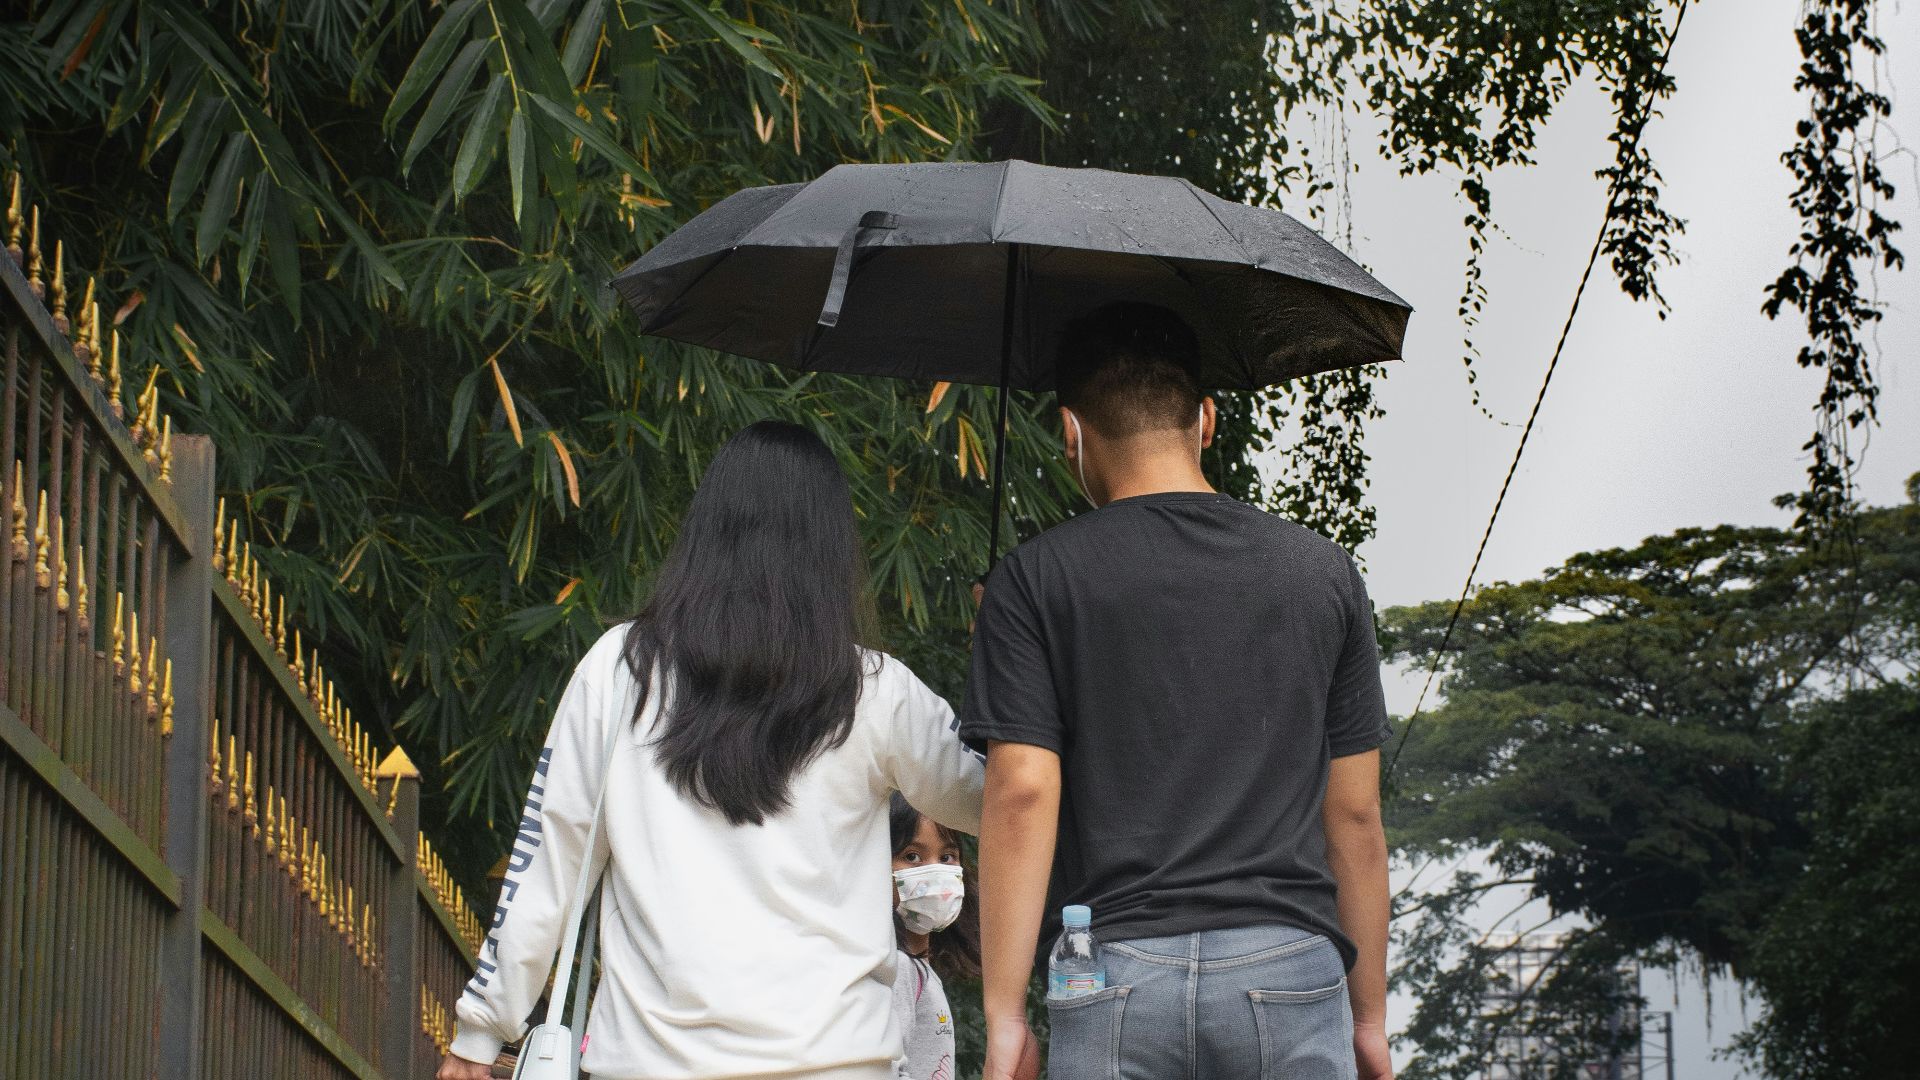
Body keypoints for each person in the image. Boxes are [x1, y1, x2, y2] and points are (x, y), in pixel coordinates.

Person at [439, 421, 985, 1080]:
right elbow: (996, 798)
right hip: (836, 1063)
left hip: (650, 1065)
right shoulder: (876, 690)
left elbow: (549, 858)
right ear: (833, 547)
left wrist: (482, 1031)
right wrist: (1004, 643)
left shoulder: (620, 670)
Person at [959, 303, 1394, 1080]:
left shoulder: (1035, 579)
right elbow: (1355, 815)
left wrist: (1005, 1019)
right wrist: (1368, 1019)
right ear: (1207, 419)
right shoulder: (1321, 573)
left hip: (1114, 972)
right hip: (1290, 968)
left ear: (1070, 433)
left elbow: (1022, 789)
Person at [887, 793, 981, 1080]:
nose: (935, 870)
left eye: (947, 857)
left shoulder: (919, 971)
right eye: (912, 856)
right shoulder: (896, 970)